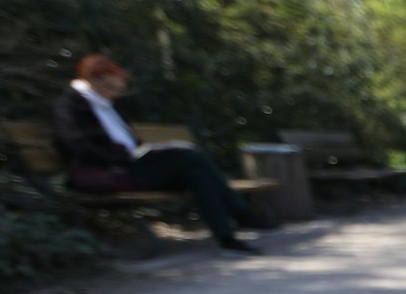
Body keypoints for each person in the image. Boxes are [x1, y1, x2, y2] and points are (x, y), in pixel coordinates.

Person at [50, 55, 263, 254]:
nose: (113, 94)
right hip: (104, 172)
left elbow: (128, 142)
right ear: (90, 81)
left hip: (130, 165)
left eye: (117, 89)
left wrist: (149, 151)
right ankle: (242, 214)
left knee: (196, 173)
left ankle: (227, 239)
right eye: (109, 87)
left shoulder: (103, 105)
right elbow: (78, 145)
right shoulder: (69, 106)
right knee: (193, 158)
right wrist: (121, 156)